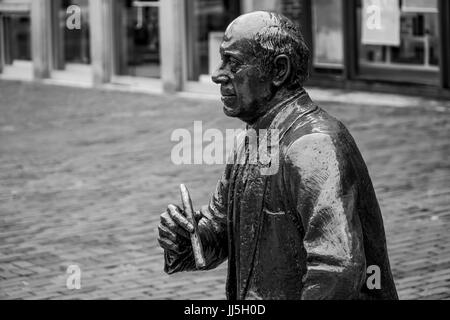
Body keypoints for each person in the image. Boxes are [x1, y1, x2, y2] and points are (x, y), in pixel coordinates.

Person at [158, 11, 398, 300]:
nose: (217, 74)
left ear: (278, 71)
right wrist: (190, 237)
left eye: (232, 62)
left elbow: (337, 269)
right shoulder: (254, 139)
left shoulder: (314, 145)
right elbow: (222, 229)